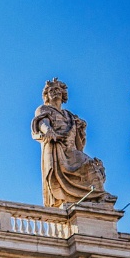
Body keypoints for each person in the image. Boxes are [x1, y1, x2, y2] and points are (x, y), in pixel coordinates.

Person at [31, 78, 108, 207]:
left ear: (63, 94)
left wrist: (81, 128)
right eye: (51, 90)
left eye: (57, 90)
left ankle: (99, 196)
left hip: (71, 149)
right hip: (56, 146)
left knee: (91, 165)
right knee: (64, 174)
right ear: (47, 95)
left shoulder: (69, 115)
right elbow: (41, 122)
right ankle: (70, 198)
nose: (55, 92)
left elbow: (79, 143)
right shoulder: (43, 109)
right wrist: (48, 130)